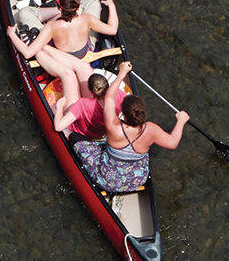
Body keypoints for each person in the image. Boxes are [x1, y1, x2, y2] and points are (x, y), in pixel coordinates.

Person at [72, 61, 189, 193]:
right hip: (136, 180)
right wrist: (181, 121)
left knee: (74, 137)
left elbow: (109, 97)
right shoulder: (151, 129)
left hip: (107, 180)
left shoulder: (113, 126)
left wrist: (121, 73)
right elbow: (173, 143)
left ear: (124, 113)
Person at [6, 0, 118, 105]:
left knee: (24, 12)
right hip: (85, 49)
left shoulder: (52, 26)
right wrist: (112, 6)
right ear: (77, 7)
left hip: (61, 57)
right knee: (94, 3)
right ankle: (68, 12)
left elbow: (28, 53)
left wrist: (12, 34)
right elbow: (113, 29)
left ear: (60, 8)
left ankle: (52, 15)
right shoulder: (87, 19)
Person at [52, 72, 127, 138]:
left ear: (90, 90)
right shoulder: (119, 94)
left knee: (68, 75)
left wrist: (60, 106)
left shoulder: (82, 104)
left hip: (77, 131)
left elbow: (58, 127)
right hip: (100, 133)